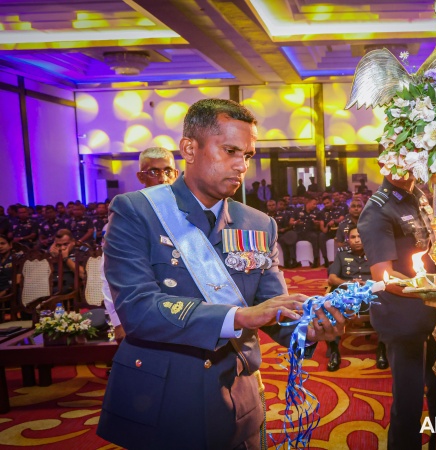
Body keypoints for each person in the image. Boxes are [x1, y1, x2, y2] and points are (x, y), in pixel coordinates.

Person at [97, 98, 346, 450]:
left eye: (247, 155)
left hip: (236, 392)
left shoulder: (258, 223)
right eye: (230, 151)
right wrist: (239, 316)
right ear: (189, 149)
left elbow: (273, 308)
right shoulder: (137, 211)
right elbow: (137, 310)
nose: (241, 165)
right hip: (163, 396)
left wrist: (310, 328)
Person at [358, 171, 436, 450]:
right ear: (385, 164)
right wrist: (435, 291)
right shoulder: (378, 209)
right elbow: (384, 276)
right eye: (404, 156)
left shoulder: (418, 195)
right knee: (409, 398)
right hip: (403, 313)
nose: (412, 164)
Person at [102, 146, 179, 344]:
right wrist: (118, 320)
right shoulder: (127, 213)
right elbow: (111, 273)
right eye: (154, 172)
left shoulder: (187, 213)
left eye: (168, 171)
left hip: (182, 310)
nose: (163, 178)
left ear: (176, 174)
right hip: (143, 309)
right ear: (140, 176)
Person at [325, 225, 387, 372]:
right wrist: (349, 283)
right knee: (329, 307)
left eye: (360, 237)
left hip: (369, 294)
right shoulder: (341, 255)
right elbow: (332, 278)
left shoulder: (375, 255)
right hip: (346, 296)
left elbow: (384, 278)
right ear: (348, 240)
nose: (357, 240)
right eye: (353, 237)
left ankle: (382, 349)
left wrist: (367, 284)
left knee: (386, 305)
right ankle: (334, 351)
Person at [48, 230, 81, 294]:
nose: (62, 248)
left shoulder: (80, 253)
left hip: (70, 287)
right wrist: (51, 257)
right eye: (58, 245)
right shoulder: (50, 253)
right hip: (51, 284)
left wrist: (65, 258)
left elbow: (83, 275)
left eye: (65, 244)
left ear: (73, 242)